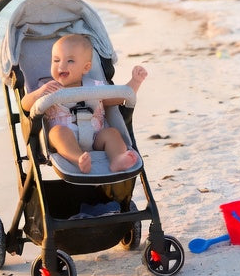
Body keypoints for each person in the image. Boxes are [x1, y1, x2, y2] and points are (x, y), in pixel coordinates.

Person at [21, 33, 147, 173]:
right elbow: (25, 106)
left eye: (70, 61)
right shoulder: (47, 87)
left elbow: (115, 98)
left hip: (96, 137)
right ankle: (78, 159)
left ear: (86, 68)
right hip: (66, 137)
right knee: (56, 133)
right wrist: (39, 93)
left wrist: (134, 83)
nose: (61, 65)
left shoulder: (95, 86)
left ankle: (117, 158)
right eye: (56, 60)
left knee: (112, 133)